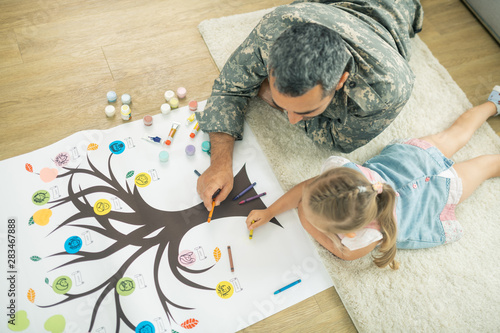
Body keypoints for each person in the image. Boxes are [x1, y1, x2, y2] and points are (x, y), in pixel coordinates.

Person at [197, 0, 424, 210]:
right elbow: (229, 87)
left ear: (340, 81)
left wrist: (267, 94)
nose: (291, 119)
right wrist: (219, 163)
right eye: (282, 103)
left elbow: (338, 141)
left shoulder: (387, 91)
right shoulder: (276, 27)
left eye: (306, 111)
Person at [245, 93, 500, 270]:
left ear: (349, 232)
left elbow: (343, 254)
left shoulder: (366, 237)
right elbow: (306, 190)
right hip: (412, 159)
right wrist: (269, 212)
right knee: (459, 136)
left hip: (438, 193)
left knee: (487, 165)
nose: (302, 201)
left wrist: (304, 218)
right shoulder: (342, 173)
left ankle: (493, 104)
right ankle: (493, 103)